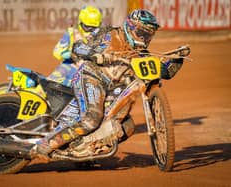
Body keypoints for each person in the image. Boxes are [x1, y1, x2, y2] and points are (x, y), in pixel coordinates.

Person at [31, 9, 187, 157]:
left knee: (127, 127)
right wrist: (95, 55)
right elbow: (78, 47)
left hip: (111, 89)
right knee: (91, 118)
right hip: (92, 77)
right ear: (130, 28)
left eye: (148, 36)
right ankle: (46, 145)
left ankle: (86, 151)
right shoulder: (108, 33)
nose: (144, 39)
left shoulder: (141, 55)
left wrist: (178, 59)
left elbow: (163, 72)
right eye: (141, 33)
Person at [46, 5, 103, 87]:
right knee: (50, 84)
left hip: (89, 73)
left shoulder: (103, 38)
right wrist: (68, 54)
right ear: (80, 23)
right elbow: (56, 52)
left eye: (93, 28)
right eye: (87, 27)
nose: (90, 31)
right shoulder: (72, 34)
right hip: (69, 67)